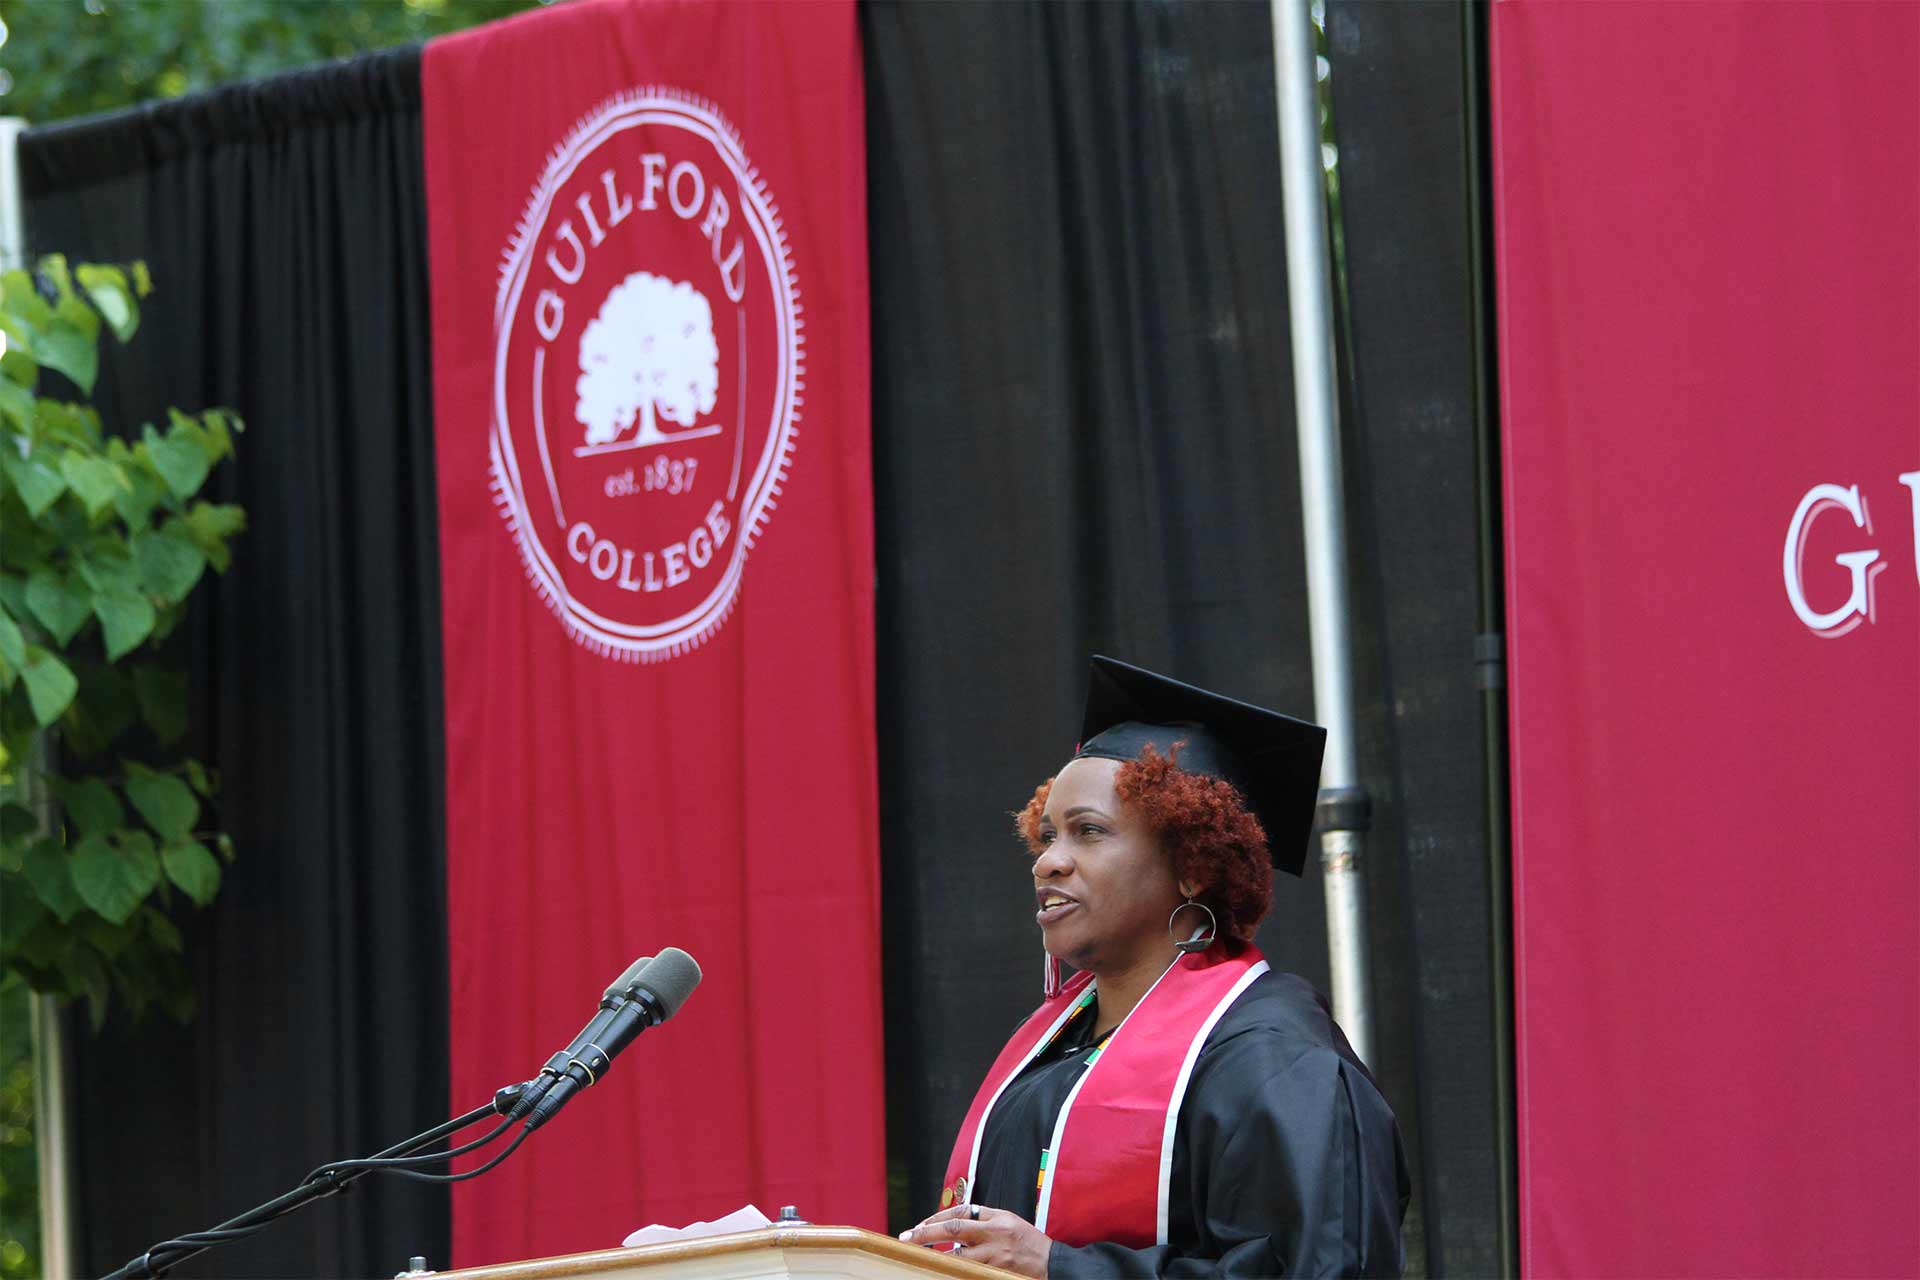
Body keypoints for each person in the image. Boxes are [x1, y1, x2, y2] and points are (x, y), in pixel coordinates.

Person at [900, 656, 1409, 1278]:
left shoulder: (1273, 1058)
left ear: (1194, 863)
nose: (1047, 863)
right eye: (1047, 835)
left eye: (1088, 832)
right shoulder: (1048, 1059)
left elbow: (1321, 1268)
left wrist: (1059, 1268)